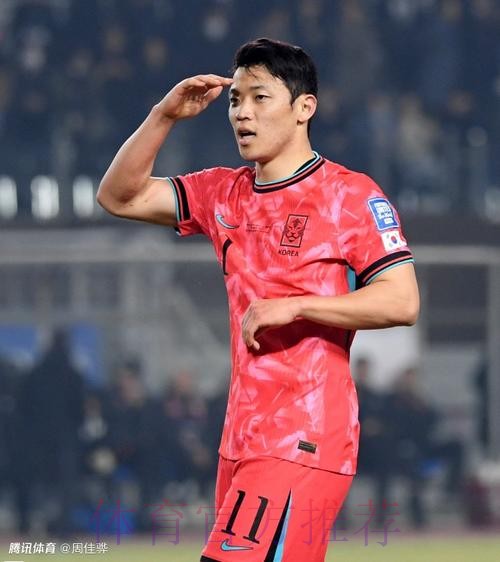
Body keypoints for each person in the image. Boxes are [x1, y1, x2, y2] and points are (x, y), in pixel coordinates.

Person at [97, 38, 419, 562]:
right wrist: (163, 116)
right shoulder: (222, 193)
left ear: (304, 107)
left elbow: (402, 300)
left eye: (259, 97)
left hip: (304, 435)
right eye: (235, 100)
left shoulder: (349, 195)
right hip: (240, 440)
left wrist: (298, 305)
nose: (242, 113)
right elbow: (119, 196)